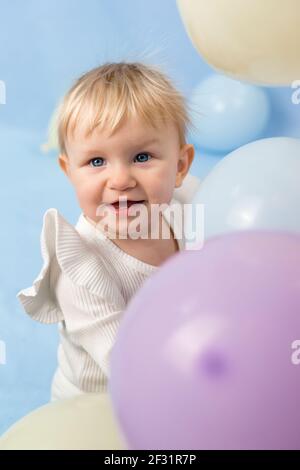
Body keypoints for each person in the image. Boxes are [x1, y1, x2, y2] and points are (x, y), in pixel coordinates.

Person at [17, 62, 201, 400]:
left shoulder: (190, 207)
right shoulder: (81, 268)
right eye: (97, 162)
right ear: (68, 170)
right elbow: (125, 364)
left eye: (142, 156)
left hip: (177, 364)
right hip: (100, 401)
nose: (120, 180)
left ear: (180, 167)